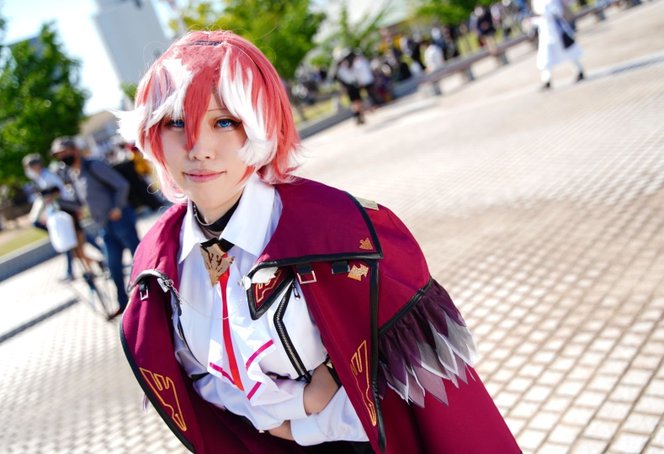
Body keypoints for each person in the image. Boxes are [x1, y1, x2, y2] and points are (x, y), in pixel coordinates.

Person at [116, 30, 520, 453]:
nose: (198, 148)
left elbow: (404, 394)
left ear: (259, 124)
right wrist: (294, 407)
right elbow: (198, 378)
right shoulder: (158, 264)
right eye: (176, 122)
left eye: (223, 122)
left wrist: (302, 428)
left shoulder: (344, 232)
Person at [50, 137, 140, 319]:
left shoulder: (93, 166)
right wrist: (56, 200)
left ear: (75, 150)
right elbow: (78, 202)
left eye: (64, 152)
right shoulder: (73, 174)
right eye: (59, 155)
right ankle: (123, 303)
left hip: (120, 219)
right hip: (104, 226)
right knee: (113, 266)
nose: (62, 157)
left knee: (139, 258)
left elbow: (121, 185)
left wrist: (117, 206)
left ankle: (152, 296)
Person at [22, 153, 102, 281]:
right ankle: (95, 264)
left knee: (77, 243)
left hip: (66, 211)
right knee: (76, 245)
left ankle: (91, 267)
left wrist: (46, 200)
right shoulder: (42, 178)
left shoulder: (47, 177)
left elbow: (56, 193)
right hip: (61, 212)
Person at [530, 0, 585, 90]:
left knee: (569, 51)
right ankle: (546, 80)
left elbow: (556, 11)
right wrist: (533, 21)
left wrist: (542, 16)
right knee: (545, 56)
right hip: (545, 32)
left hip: (556, 30)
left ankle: (579, 70)